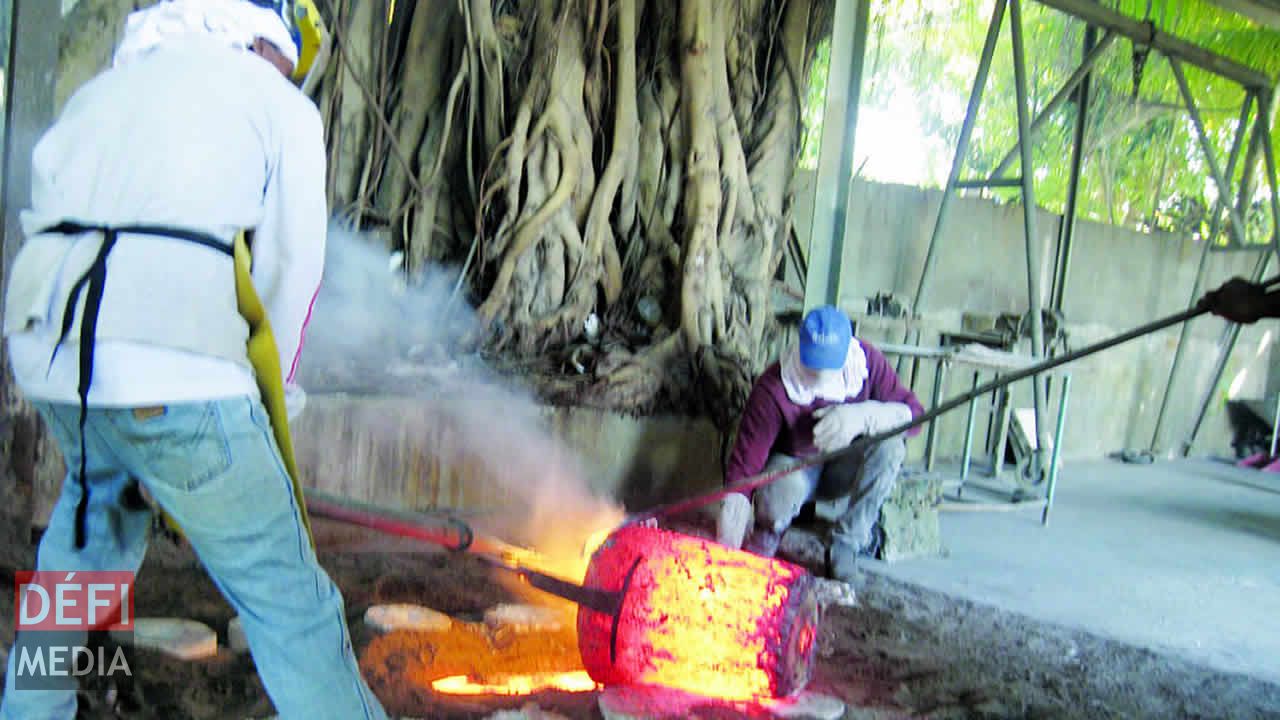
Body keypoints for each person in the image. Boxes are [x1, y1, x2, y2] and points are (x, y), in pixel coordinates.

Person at [0, 1, 388, 718]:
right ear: (266, 40)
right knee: (289, 601)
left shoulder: (104, 89)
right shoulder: (276, 103)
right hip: (171, 369)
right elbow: (290, 272)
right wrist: (269, 403)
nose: (290, 75)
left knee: (83, 552)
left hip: (49, 356)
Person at [717, 305, 924, 582]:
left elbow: (915, 416)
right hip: (796, 470)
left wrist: (863, 416)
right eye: (814, 364)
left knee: (892, 446)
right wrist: (728, 530)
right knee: (778, 490)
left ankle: (845, 545)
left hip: (846, 467)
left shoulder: (866, 364)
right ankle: (768, 534)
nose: (821, 374)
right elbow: (744, 467)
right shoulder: (775, 386)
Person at [1198, 276, 1280, 324]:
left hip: (1270, 311)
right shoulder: (1229, 287)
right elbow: (1256, 288)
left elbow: (1251, 320)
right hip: (1270, 298)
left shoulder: (1228, 313)